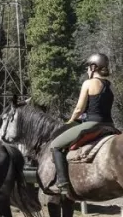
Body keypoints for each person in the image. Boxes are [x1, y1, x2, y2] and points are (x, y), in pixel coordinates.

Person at [48, 53, 116, 194]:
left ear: (93, 67)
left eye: (88, 67)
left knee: (55, 145)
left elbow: (79, 109)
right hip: (110, 126)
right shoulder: (109, 86)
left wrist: (70, 121)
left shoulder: (88, 83)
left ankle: (62, 183)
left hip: (93, 124)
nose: (87, 70)